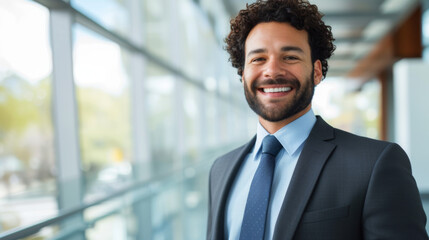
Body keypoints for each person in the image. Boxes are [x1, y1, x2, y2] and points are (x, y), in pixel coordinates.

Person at [206, 0, 428, 239]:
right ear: (242, 75)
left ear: (317, 71)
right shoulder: (221, 169)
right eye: (258, 59)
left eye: (290, 57)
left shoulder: (375, 165)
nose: (272, 71)